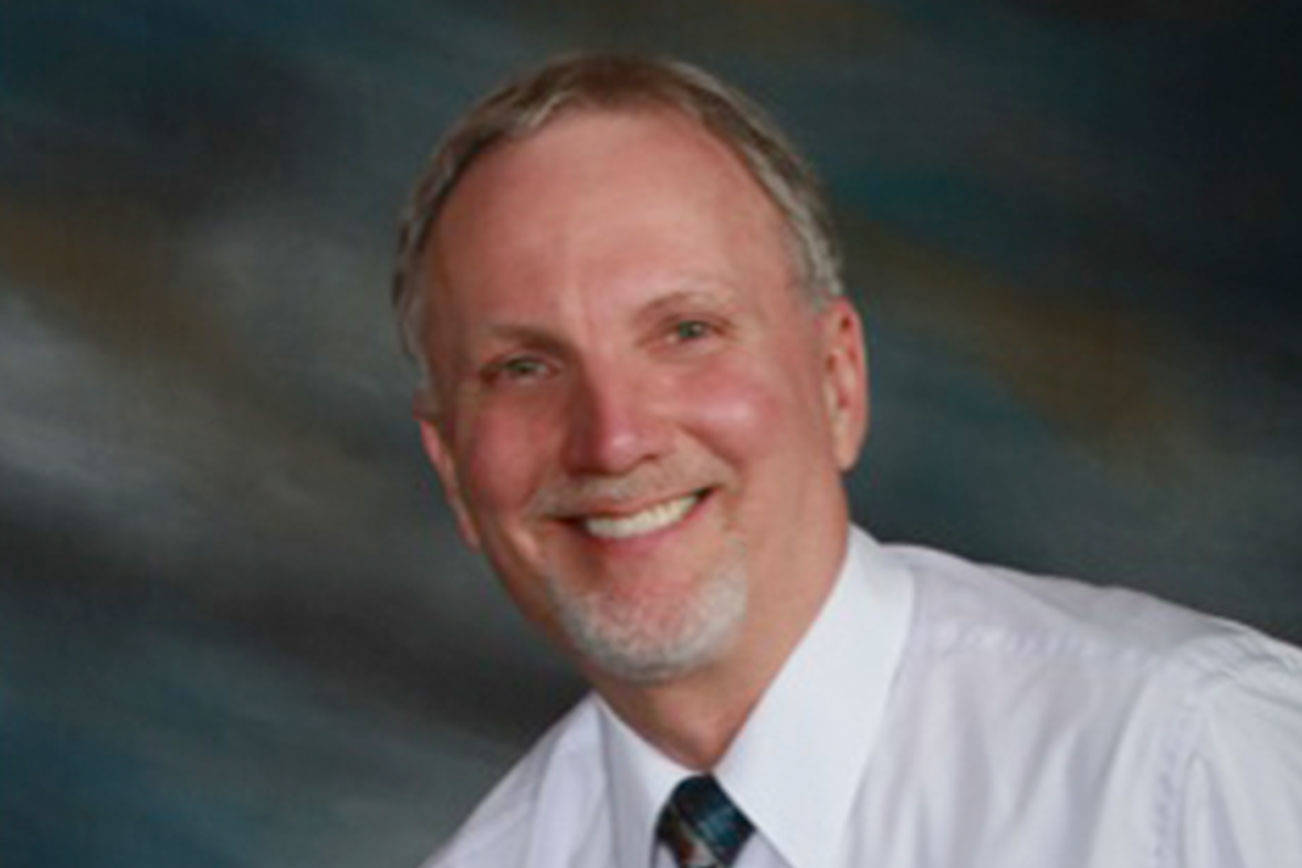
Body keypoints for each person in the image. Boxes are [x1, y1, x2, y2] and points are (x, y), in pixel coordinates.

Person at [391, 53, 1302, 868]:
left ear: (837, 381)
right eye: (524, 368)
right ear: (452, 468)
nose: (613, 438)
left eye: (687, 331)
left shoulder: (1186, 757)